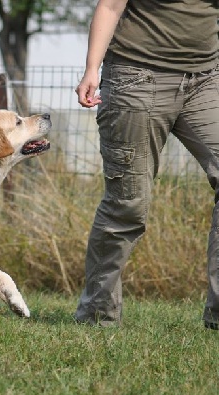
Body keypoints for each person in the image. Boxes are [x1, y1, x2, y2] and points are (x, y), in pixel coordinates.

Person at [74, 0, 219, 328]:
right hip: (137, 77)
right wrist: (91, 69)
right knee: (128, 203)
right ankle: (98, 317)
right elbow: (110, 6)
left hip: (206, 79)